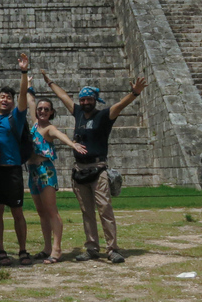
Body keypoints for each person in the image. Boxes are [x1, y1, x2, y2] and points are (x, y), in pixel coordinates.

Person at [43, 69, 147, 264]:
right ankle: (91, 248)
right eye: (82, 100)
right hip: (80, 170)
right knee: (87, 211)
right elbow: (63, 96)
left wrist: (135, 93)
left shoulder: (105, 115)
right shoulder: (78, 113)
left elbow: (120, 105)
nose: (84, 102)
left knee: (105, 209)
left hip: (98, 168)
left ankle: (112, 248)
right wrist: (49, 82)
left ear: (95, 100)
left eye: (88, 99)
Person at [26, 92, 87, 263]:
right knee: (41, 212)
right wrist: (28, 84)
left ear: (51, 112)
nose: (42, 111)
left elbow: (61, 135)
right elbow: (30, 101)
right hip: (32, 171)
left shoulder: (49, 128)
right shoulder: (34, 125)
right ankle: (46, 247)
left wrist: (73, 144)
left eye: (46, 109)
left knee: (51, 211)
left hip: (45, 171)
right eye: (40, 109)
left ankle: (57, 249)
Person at [0, 53, 31, 267]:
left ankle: (23, 249)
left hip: (13, 170)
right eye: (2, 97)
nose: (5, 99)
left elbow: (24, 94)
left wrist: (24, 72)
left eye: (9, 97)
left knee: (17, 212)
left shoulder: (15, 117)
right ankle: (1, 250)